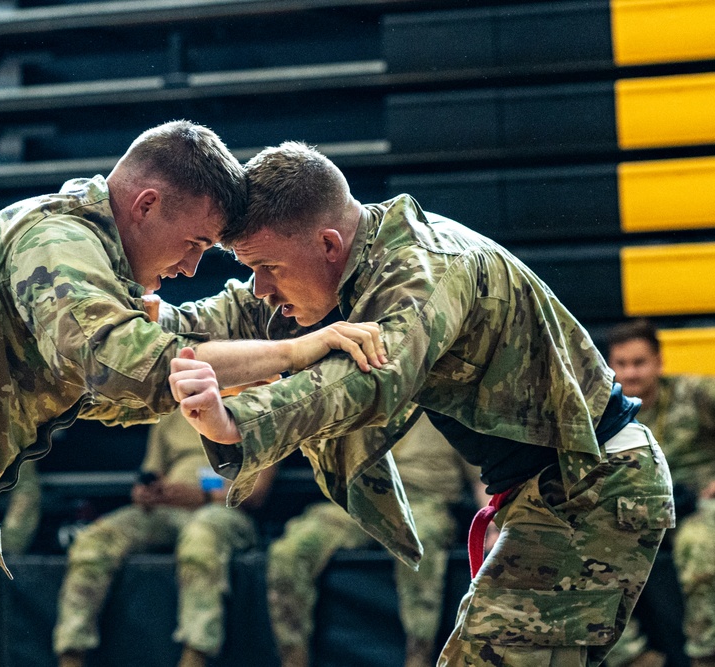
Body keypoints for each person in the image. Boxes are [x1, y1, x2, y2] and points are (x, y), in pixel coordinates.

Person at [0, 122, 387, 667]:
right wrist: (293, 351)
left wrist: (286, 307)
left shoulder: (90, 261)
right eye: (196, 244)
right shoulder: (58, 243)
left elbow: (161, 347)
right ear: (145, 205)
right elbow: (124, 366)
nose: (194, 267)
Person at [165, 141, 675, 666]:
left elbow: (371, 377)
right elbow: (233, 315)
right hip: (553, 488)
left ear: (328, 244)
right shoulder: (350, 261)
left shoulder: (425, 268)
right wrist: (138, 332)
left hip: (590, 481)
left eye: (268, 267)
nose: (262, 288)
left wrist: (239, 421)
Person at [267, 411, 489, 667]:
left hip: (424, 501)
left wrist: (494, 527)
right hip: (358, 500)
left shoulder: (447, 403)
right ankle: (293, 659)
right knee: (292, 549)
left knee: (422, 543)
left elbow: (482, 477)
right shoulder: (364, 391)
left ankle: (419, 658)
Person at [54, 409, 274, 667]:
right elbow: (150, 473)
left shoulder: (261, 405)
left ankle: (195, 657)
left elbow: (257, 492)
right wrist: (146, 493)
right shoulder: (175, 409)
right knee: (95, 539)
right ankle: (71, 655)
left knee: (201, 536)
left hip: (225, 510)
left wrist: (203, 494)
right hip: (167, 506)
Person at [603, 319, 715, 667]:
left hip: (697, 499)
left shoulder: (693, 393)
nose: (630, 373)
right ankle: (633, 658)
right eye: (621, 364)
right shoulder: (603, 411)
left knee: (700, 543)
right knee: (591, 549)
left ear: (659, 363)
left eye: (639, 363)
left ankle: (705, 655)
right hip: (636, 510)